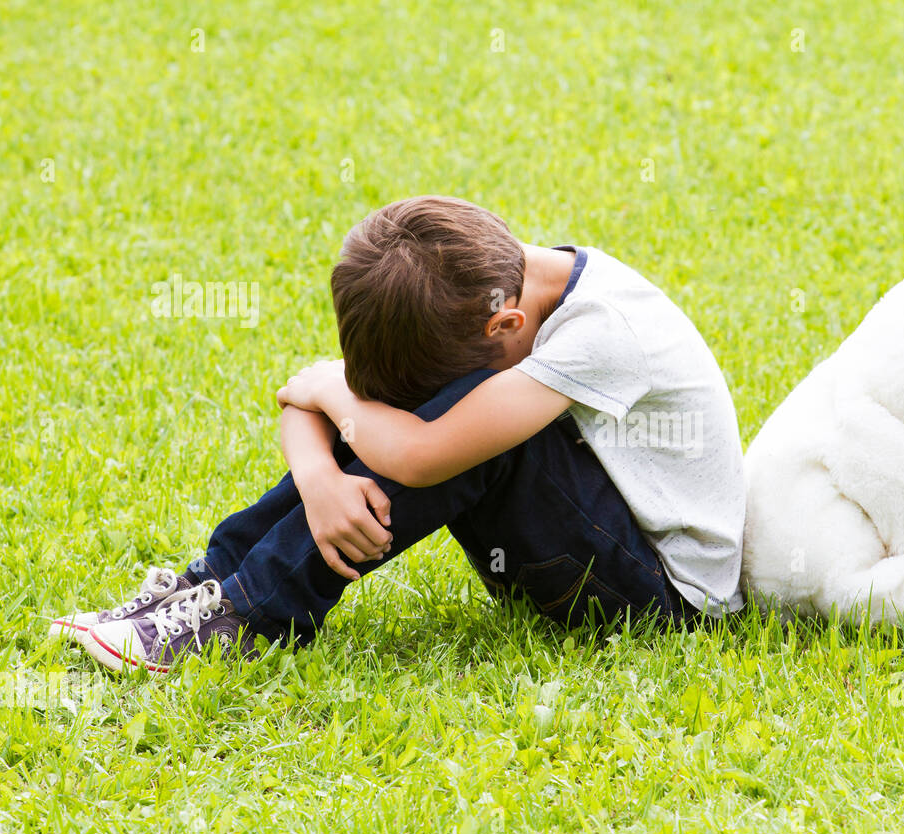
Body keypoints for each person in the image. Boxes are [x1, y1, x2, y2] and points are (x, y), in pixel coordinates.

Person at [52, 196, 747, 673]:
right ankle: (208, 587)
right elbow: (315, 399)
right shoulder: (473, 284)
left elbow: (417, 455)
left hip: (663, 598)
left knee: (472, 425)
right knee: (437, 408)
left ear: (503, 327)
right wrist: (321, 477)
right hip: (592, 541)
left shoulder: (601, 334)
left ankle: (249, 616)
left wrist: (329, 389)